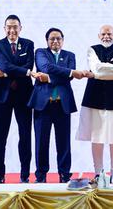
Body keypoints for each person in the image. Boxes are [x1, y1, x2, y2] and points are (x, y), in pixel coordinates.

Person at [28, 28, 91, 183]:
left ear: (63, 40)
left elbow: (66, 79)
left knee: (63, 141)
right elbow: (46, 68)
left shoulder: (70, 56)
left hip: (62, 104)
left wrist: (49, 78)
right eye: (52, 39)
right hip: (43, 104)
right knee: (41, 142)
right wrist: (70, 72)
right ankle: (41, 175)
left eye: (58, 39)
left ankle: (64, 174)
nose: (55, 41)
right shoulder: (40, 53)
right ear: (47, 41)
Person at [76, 24, 113, 183]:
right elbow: (96, 69)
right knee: (97, 136)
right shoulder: (92, 49)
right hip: (95, 97)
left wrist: (110, 71)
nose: (106, 36)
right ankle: (98, 172)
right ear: (98, 35)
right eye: (103, 34)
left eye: (109, 34)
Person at [0, 14, 35, 184]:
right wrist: (21, 72)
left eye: (15, 27)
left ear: (20, 28)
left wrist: (9, 72)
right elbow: (4, 65)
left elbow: (29, 65)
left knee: (25, 136)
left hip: (24, 95)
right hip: (3, 96)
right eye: (9, 27)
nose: (12, 30)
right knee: (0, 136)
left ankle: (25, 175)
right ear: (4, 29)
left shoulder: (28, 44)